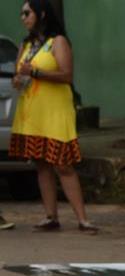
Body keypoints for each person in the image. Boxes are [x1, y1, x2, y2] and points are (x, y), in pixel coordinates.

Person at [9, 0, 97, 232]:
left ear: (42, 14)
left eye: (27, 13)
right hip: (32, 111)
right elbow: (18, 75)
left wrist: (36, 72)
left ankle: (82, 218)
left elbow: (66, 75)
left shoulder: (57, 41)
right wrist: (18, 79)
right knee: (41, 163)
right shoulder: (26, 44)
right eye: (21, 14)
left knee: (63, 164)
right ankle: (51, 216)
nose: (23, 17)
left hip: (55, 110)